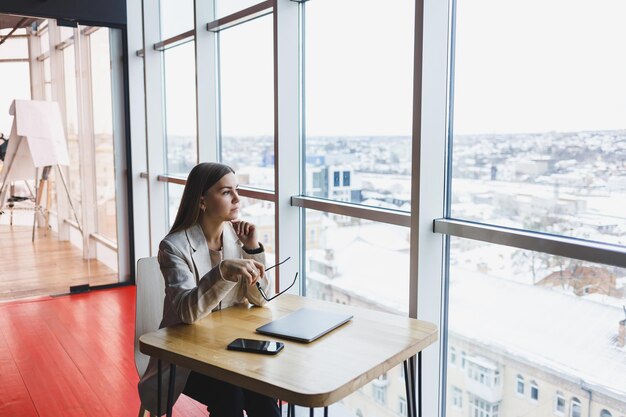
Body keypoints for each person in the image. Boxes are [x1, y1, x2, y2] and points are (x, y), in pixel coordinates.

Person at [138, 162, 280, 417]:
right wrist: (223, 271)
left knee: (264, 393)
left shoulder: (238, 238)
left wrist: (253, 249)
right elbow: (187, 312)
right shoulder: (173, 247)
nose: (237, 198)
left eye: (237, 190)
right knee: (230, 394)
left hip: (230, 348)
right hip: (186, 356)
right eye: (226, 192)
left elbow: (262, 299)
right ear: (202, 200)